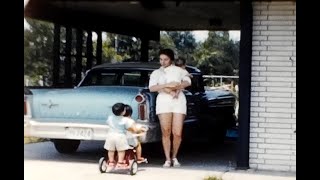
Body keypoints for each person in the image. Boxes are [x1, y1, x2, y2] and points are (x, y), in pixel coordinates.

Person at [148, 48, 192, 167]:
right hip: (163, 102)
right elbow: (152, 88)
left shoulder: (179, 70)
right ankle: (167, 158)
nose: (163, 62)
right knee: (166, 131)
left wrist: (177, 87)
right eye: (161, 59)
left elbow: (188, 81)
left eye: (165, 59)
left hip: (178, 101)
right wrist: (167, 86)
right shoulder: (156, 73)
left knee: (177, 132)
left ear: (171, 60)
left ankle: (175, 157)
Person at [103, 102, 146, 170]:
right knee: (121, 150)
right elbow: (133, 129)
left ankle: (111, 162)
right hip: (120, 137)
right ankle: (120, 162)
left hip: (110, 136)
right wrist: (141, 130)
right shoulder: (125, 120)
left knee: (111, 150)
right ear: (123, 112)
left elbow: (108, 123)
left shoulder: (110, 118)